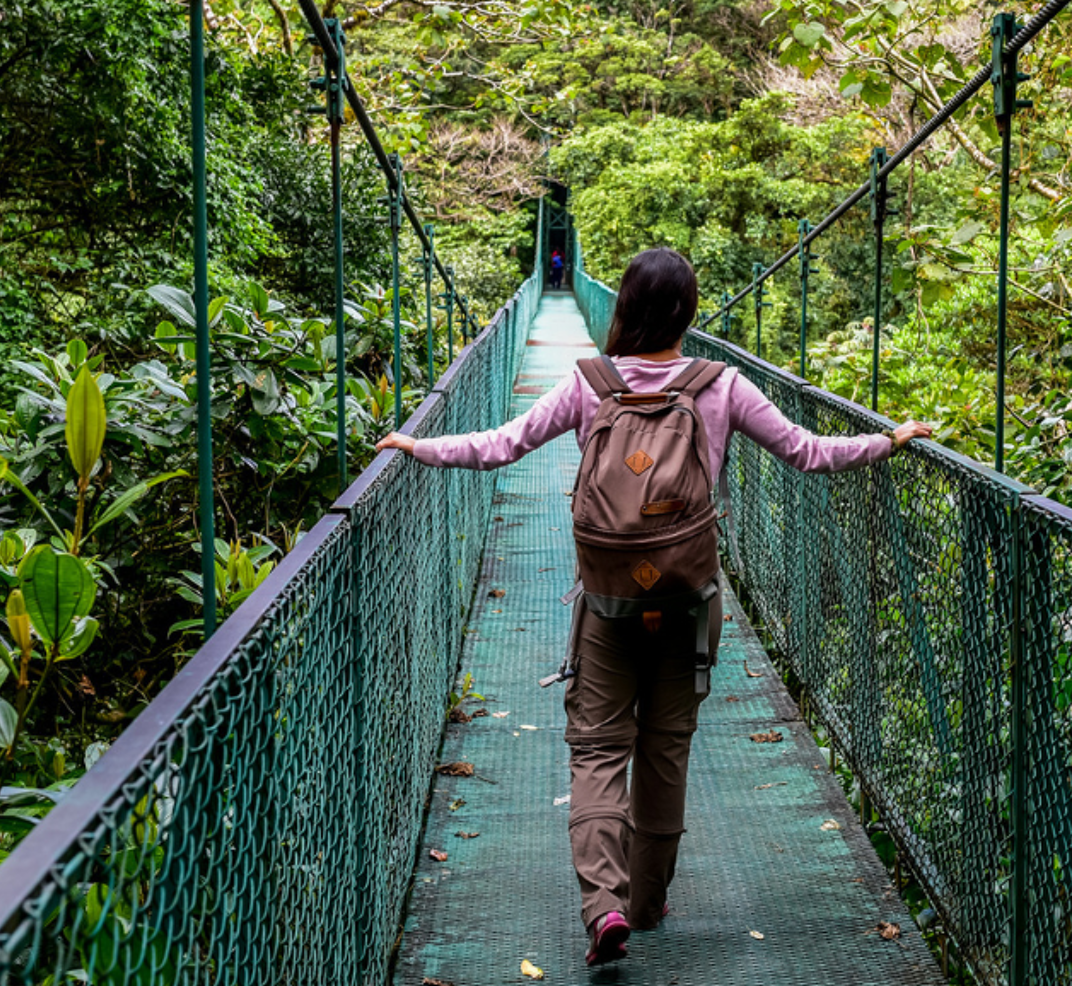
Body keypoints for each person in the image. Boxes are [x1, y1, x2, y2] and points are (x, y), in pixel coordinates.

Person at [374, 247, 931, 968]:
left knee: (599, 749)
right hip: (688, 599)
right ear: (690, 313)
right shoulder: (721, 384)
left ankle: (603, 907)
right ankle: (646, 899)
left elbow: (506, 444)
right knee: (664, 747)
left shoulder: (588, 382)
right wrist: (888, 441)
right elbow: (807, 452)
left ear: (625, 309)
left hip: (606, 602)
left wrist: (421, 445)